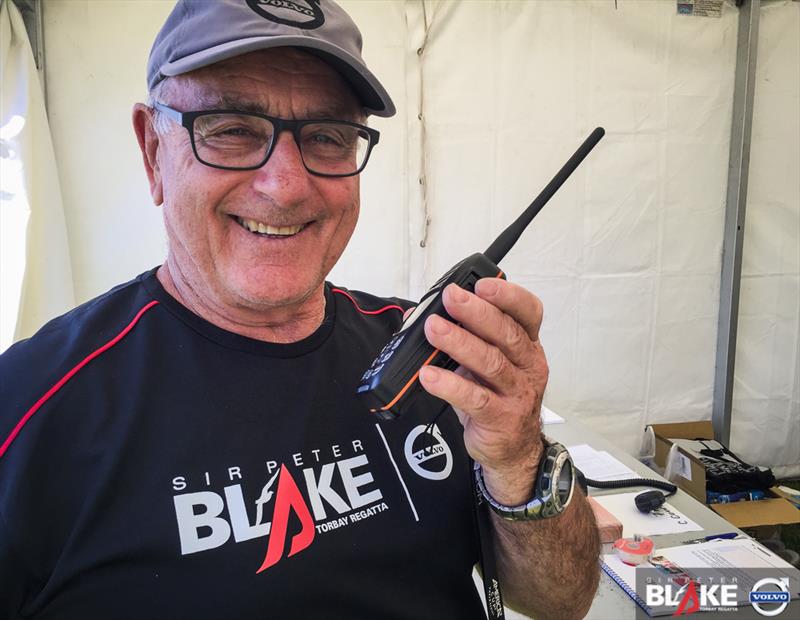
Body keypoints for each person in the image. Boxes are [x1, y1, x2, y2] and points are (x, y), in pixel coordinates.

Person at [0, 1, 600, 618]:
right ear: (154, 150)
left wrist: (520, 458)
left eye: (328, 137)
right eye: (231, 128)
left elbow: (558, 603)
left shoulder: (438, 357)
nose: (285, 186)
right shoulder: (29, 407)